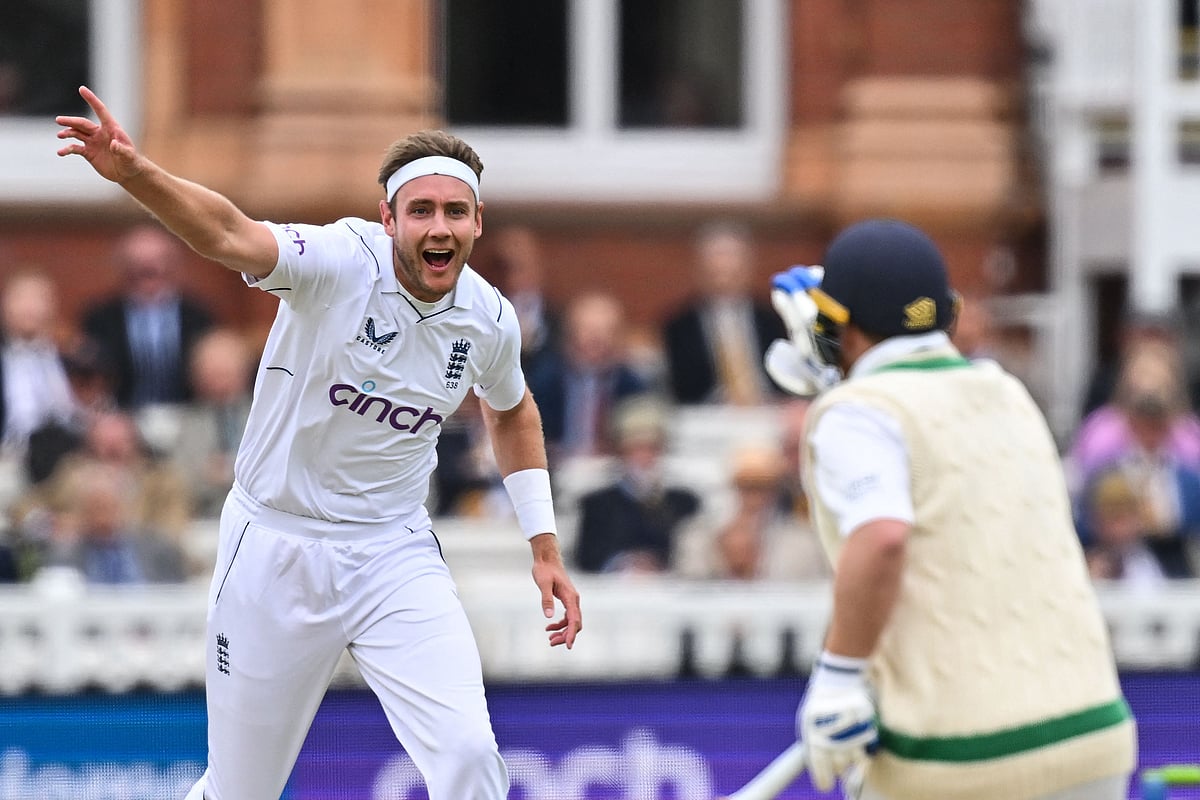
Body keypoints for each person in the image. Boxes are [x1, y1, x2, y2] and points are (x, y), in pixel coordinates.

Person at [57, 85, 581, 800]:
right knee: (243, 790)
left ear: (478, 221)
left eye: (455, 211)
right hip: (275, 547)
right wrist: (136, 173)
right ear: (386, 216)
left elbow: (512, 409)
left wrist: (543, 545)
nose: (439, 227)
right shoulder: (337, 261)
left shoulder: (488, 319)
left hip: (392, 552)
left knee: (468, 758)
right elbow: (231, 234)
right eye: (420, 210)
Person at [763, 219, 1135, 799]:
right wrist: (842, 372)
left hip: (962, 757)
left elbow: (882, 536)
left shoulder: (855, 414)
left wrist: (839, 675)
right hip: (1093, 737)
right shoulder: (1006, 392)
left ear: (839, 323)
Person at [81, 222, 215, 410]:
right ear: (124, 268)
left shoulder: (198, 315)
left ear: (172, 265)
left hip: (188, 414)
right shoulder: (100, 318)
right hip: (123, 415)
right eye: (137, 263)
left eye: (156, 261)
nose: (147, 268)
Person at [662, 220, 786, 405]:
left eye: (732, 264)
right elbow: (681, 386)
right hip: (707, 417)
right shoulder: (679, 326)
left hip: (769, 410)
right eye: (717, 267)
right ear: (700, 269)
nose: (724, 271)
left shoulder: (772, 318)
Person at [572, 396, 700, 574]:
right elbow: (586, 558)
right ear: (621, 452)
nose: (644, 457)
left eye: (652, 449)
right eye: (636, 449)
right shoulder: (597, 504)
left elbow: (689, 557)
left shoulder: (682, 502)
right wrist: (623, 563)